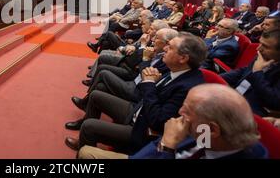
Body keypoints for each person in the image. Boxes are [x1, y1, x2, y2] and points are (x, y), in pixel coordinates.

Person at [64, 32, 207, 154]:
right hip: (139, 110)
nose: (165, 49)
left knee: (89, 126)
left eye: (170, 47)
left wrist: (149, 83)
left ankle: (85, 145)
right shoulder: (177, 69)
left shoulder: (188, 87)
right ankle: (85, 141)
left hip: (142, 129)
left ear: (183, 58)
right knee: (96, 96)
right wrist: (149, 84)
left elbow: (157, 122)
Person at [78, 84, 267, 159]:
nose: (179, 112)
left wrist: (167, 146)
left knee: (87, 154)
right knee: (86, 152)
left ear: (212, 129)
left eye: (188, 110)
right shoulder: (205, 134)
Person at [221, 29, 280, 116]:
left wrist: (257, 72)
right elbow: (244, 70)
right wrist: (219, 78)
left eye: (265, 46)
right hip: (232, 96)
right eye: (260, 43)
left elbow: (274, 101)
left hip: (249, 113)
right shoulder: (262, 55)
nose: (258, 49)